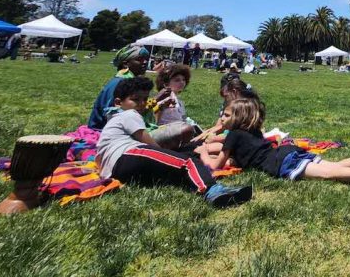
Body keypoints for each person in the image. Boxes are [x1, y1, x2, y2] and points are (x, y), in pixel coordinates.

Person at [96, 77, 252, 207]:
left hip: (118, 168)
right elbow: (149, 144)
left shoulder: (114, 119)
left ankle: (208, 159)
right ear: (118, 102)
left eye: (144, 99)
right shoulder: (129, 114)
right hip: (129, 154)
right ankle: (212, 191)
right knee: (186, 162)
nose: (142, 103)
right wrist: (170, 155)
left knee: (187, 151)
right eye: (136, 100)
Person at [204, 97, 350, 185]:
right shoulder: (252, 132)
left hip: (282, 163)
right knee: (333, 165)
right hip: (288, 151)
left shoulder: (234, 135)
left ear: (238, 118)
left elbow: (215, 165)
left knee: (329, 173)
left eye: (226, 115)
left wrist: (203, 153)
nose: (221, 118)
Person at [88, 45, 149, 129]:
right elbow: (111, 114)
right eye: (139, 59)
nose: (145, 62)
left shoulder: (127, 81)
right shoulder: (121, 83)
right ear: (125, 64)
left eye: (146, 59)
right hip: (103, 131)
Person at [151, 64, 199, 149]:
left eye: (184, 80)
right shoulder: (165, 99)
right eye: (177, 80)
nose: (182, 82)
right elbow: (155, 121)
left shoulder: (178, 100)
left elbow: (183, 118)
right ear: (166, 84)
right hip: (168, 134)